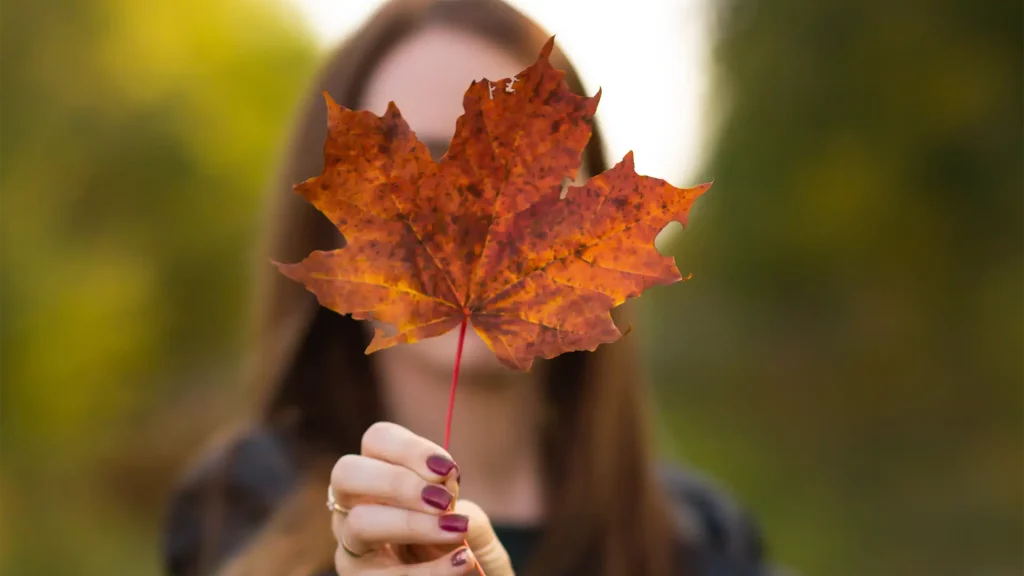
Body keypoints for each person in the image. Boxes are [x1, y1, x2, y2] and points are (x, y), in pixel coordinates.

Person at [163, 1, 773, 575]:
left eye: (538, 176)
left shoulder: (703, 537)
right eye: (421, 165)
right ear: (334, 221)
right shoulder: (237, 507)